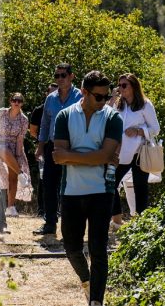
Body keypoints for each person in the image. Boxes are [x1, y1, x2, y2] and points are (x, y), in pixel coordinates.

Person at [52, 71, 122, 306]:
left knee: (98, 249)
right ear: (84, 92)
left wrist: (71, 156)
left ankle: (96, 301)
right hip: (71, 191)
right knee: (71, 248)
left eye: (106, 96)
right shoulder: (64, 116)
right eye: (98, 96)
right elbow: (57, 157)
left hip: (102, 191)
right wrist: (97, 157)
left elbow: (104, 154)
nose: (104, 101)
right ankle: (86, 281)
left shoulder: (113, 118)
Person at [35, 63, 82, 236]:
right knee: (49, 185)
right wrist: (40, 146)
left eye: (63, 75)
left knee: (70, 186)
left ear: (71, 76)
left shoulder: (80, 97)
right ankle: (50, 223)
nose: (60, 79)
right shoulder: (50, 98)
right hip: (52, 146)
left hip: (73, 147)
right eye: (57, 76)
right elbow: (45, 124)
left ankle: (70, 225)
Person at [110, 73, 160, 228]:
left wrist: (138, 131)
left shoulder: (145, 104)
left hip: (139, 153)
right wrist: (112, 100)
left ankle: (141, 225)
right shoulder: (118, 104)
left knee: (140, 188)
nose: (121, 88)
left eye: (124, 85)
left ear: (133, 86)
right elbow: (109, 120)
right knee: (109, 183)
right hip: (121, 153)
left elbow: (155, 129)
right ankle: (117, 219)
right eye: (119, 85)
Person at [0, 92, 31, 217]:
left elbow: (20, 140)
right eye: (14, 100)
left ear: (22, 104)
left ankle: (10, 207)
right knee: (3, 149)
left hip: (14, 147)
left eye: (19, 101)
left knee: (13, 177)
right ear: (10, 101)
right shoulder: (1, 112)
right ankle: (21, 174)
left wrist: (19, 156)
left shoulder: (24, 120)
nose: (16, 102)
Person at [28, 82, 57, 217]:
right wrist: (42, 141)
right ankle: (41, 209)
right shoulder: (39, 110)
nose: (54, 94)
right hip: (44, 147)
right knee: (43, 177)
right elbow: (33, 131)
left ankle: (56, 209)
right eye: (51, 92)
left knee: (58, 178)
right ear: (46, 94)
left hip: (59, 146)